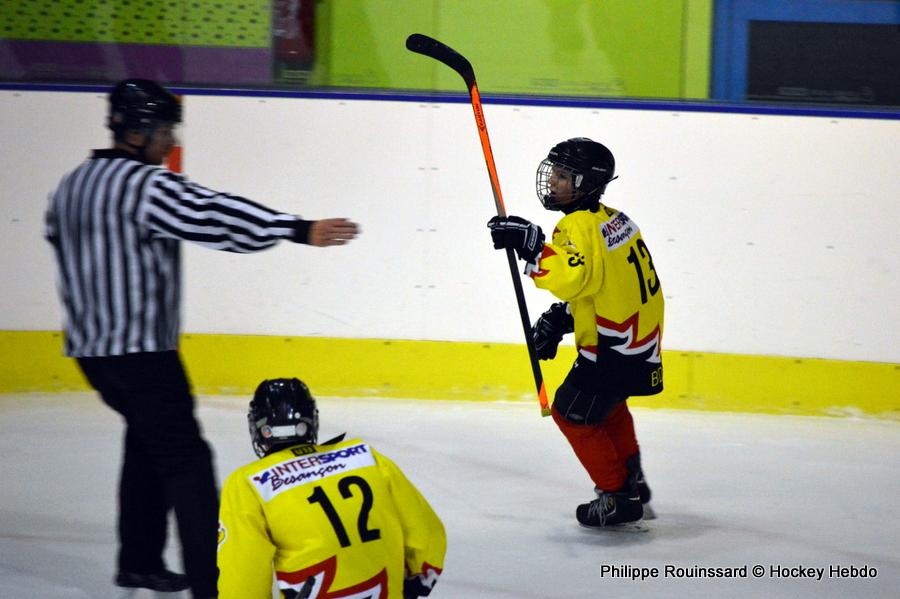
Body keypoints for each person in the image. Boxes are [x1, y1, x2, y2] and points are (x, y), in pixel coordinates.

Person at [43, 79, 360, 597]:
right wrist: (295, 228)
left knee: (147, 443)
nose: (170, 142)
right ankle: (214, 584)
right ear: (139, 130)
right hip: (142, 353)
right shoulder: (144, 186)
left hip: (92, 354)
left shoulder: (71, 184)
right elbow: (211, 214)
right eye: (165, 131)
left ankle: (139, 561)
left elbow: (62, 244)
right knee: (187, 461)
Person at [487, 138, 663, 529]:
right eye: (555, 172)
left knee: (572, 413)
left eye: (564, 175)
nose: (553, 181)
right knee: (609, 408)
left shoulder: (576, 225)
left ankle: (618, 496)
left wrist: (531, 247)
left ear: (587, 182)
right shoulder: (615, 219)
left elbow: (571, 277)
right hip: (636, 343)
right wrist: (563, 319)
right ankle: (633, 480)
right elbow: (604, 285)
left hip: (611, 349)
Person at [218, 378, 446, 598]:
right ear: (310, 421)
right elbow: (427, 532)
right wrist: (417, 581)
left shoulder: (248, 483)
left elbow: (243, 576)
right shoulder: (365, 456)